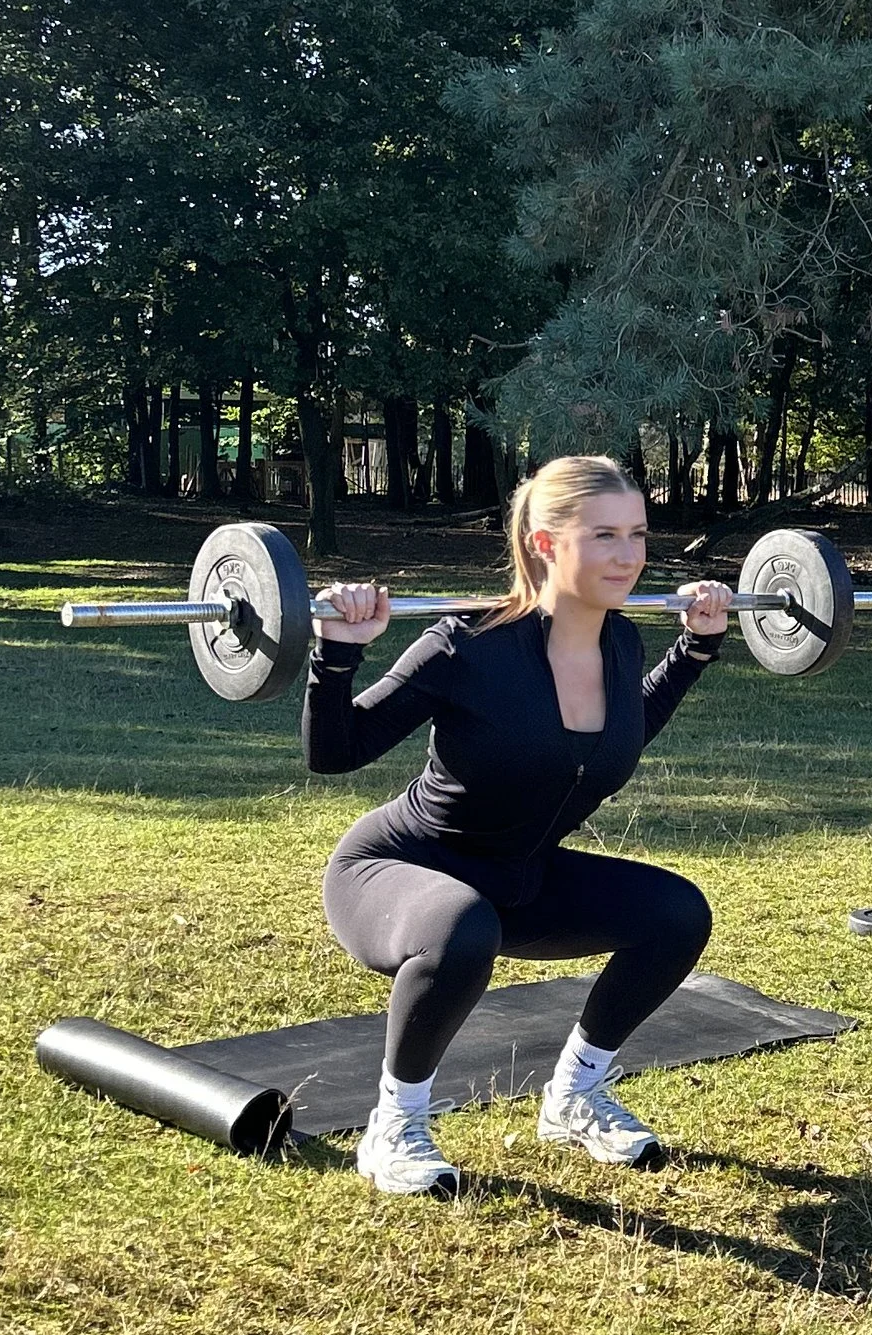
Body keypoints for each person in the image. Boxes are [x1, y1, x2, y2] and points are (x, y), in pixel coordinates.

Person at [307, 454, 735, 1199]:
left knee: (676, 913)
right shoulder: (465, 644)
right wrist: (336, 653)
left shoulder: (620, 642)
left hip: (517, 877)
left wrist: (695, 649)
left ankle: (575, 1096)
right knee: (462, 924)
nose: (629, 555)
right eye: (604, 535)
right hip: (396, 871)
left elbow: (620, 732)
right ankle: (393, 1125)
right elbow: (335, 752)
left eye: (637, 534)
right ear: (544, 543)